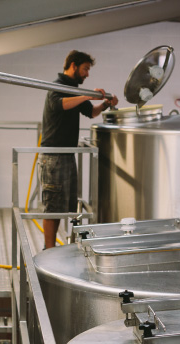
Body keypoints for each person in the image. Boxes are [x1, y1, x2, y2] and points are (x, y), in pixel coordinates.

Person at [40, 50, 118, 249]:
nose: (87, 74)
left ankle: (57, 249)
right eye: (85, 69)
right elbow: (60, 105)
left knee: (63, 206)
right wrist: (85, 95)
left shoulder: (74, 89)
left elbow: (91, 112)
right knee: (52, 207)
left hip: (67, 155)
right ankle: (48, 250)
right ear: (73, 65)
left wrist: (105, 104)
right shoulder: (56, 86)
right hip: (54, 156)